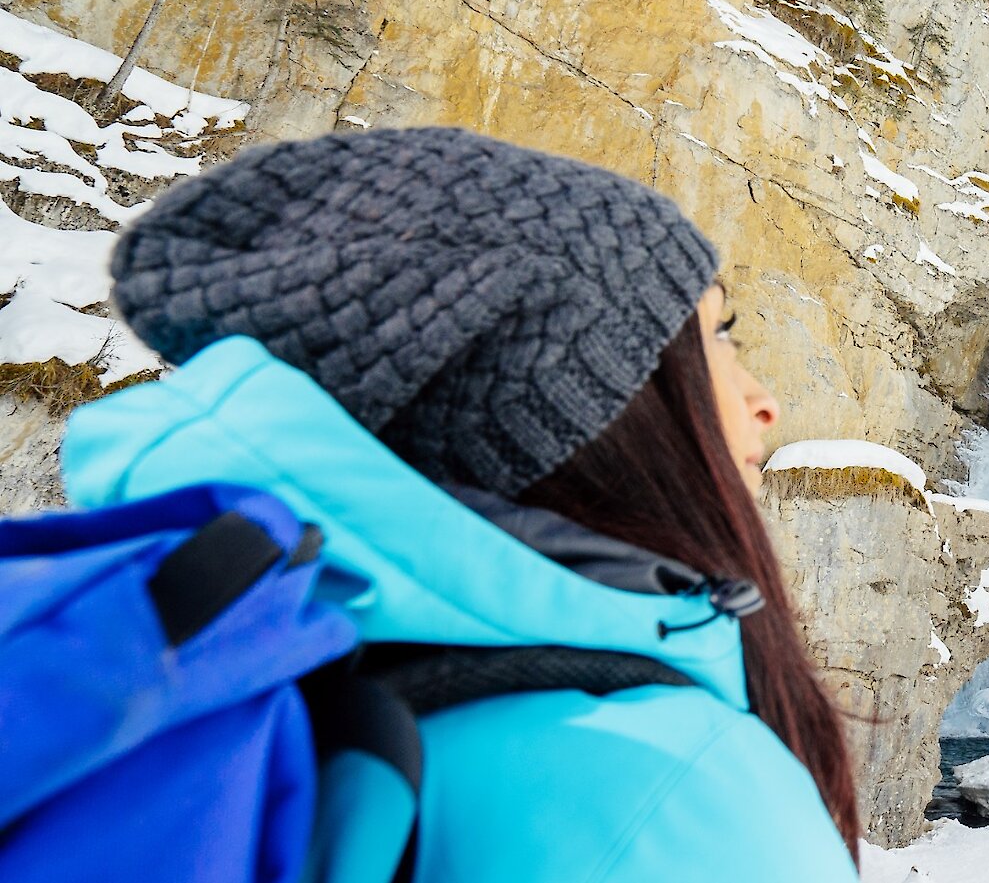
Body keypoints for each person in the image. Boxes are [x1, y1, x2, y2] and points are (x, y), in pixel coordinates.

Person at [60, 126, 862, 881]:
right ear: (593, 412)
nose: (764, 402)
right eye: (719, 336)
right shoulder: (679, 792)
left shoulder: (264, 682)